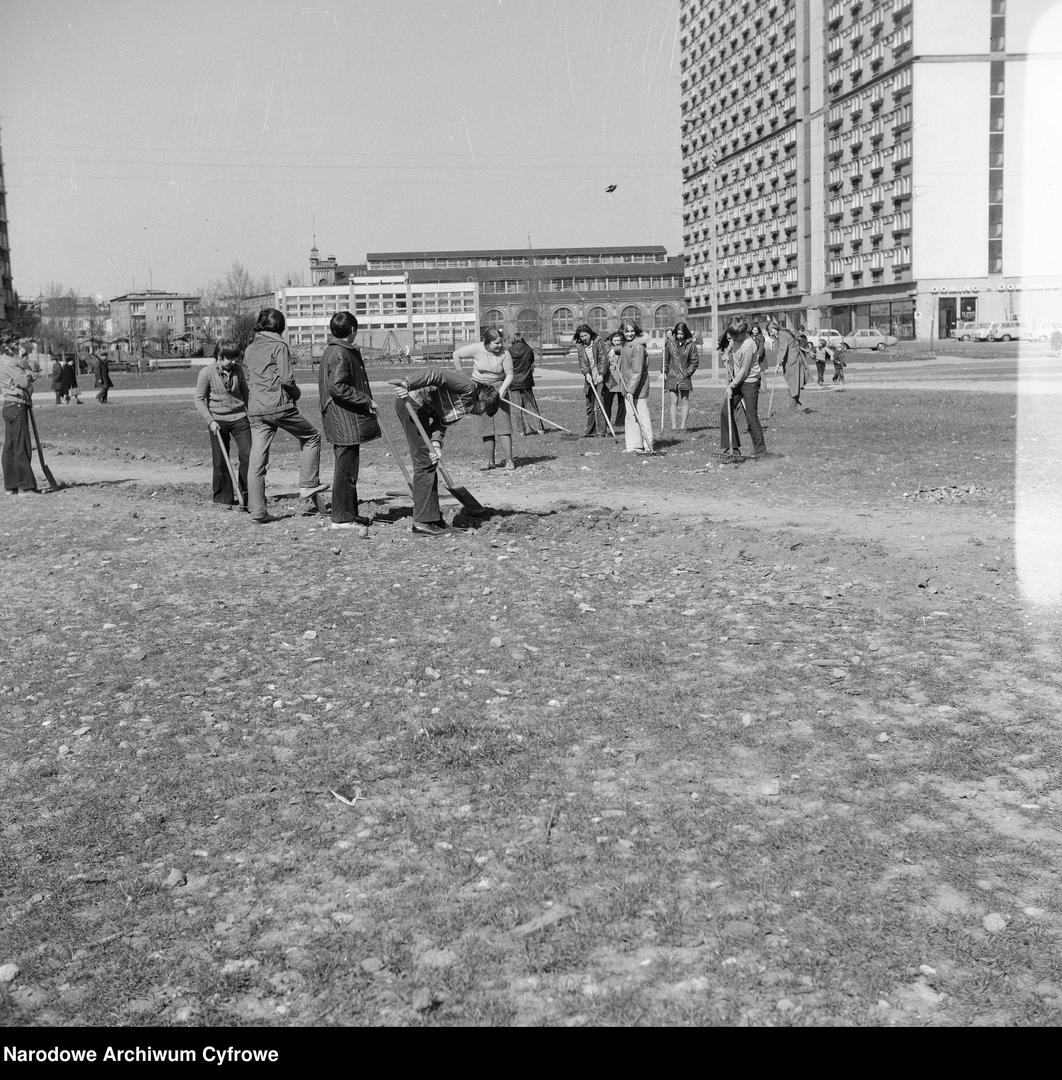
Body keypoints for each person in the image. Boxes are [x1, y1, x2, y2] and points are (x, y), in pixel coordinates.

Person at [391, 368, 500, 536]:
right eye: (484, 410)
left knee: (430, 462)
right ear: (483, 400)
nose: (480, 414)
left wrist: (436, 444)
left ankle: (433, 519)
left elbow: (441, 423)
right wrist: (407, 383)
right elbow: (436, 374)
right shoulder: (468, 387)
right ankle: (422, 522)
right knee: (424, 462)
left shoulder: (466, 406)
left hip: (422, 410)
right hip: (411, 404)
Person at [243, 307, 327, 525]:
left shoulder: (250, 348)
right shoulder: (279, 346)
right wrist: (296, 394)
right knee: (312, 436)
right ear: (280, 327)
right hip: (278, 406)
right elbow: (287, 379)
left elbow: (248, 379)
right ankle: (308, 483)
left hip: (256, 410)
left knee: (257, 462)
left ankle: (258, 511)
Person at [318, 311, 379, 536]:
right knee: (345, 469)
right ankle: (341, 518)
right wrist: (366, 400)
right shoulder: (340, 353)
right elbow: (338, 387)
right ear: (352, 330)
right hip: (343, 418)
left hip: (345, 418)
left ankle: (350, 513)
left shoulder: (336, 350)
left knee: (349, 467)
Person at [194, 339, 251, 510]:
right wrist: (210, 421)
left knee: (248, 454)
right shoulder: (206, 373)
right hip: (217, 421)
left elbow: (246, 393)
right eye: (230, 358)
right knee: (220, 460)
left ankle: (247, 494)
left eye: (235, 358)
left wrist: (251, 413)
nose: (234, 361)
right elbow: (199, 399)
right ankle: (223, 499)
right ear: (219, 356)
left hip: (240, 418)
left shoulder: (238, 370)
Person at [453, 328, 514, 472]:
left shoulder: (505, 354)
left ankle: (509, 461)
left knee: (503, 426)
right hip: (480, 390)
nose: (500, 346)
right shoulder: (476, 348)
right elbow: (456, 354)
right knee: (485, 426)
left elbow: (510, 374)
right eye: (496, 343)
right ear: (486, 342)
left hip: (499, 388)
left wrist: (501, 390)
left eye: (501, 342)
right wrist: (460, 374)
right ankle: (489, 461)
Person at [720, 319, 766, 459]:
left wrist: (731, 385)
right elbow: (732, 344)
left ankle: (761, 453)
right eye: (731, 336)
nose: (732, 339)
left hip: (750, 382)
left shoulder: (748, 345)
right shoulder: (736, 337)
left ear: (743, 333)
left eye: (735, 336)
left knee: (751, 417)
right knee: (725, 411)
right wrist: (726, 352)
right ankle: (732, 447)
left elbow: (744, 371)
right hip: (738, 379)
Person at [1, 343, 41, 495]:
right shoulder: (9, 362)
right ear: (9, 347)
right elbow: (23, 382)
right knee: (21, 445)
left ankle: (12, 486)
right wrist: (30, 376)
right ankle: (26, 486)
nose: (20, 348)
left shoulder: (1, 361)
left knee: (10, 447)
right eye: (17, 345)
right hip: (17, 405)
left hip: (8, 405)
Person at [616, 320, 654, 453]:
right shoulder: (626, 345)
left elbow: (637, 371)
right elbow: (620, 350)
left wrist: (631, 391)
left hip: (638, 388)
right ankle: (633, 445)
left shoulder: (638, 347)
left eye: (632, 331)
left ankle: (648, 445)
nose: (630, 333)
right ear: (623, 332)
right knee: (630, 416)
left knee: (642, 416)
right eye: (627, 331)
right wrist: (612, 351)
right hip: (628, 387)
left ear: (636, 331)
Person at [574, 324, 610, 437]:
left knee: (599, 405)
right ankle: (590, 431)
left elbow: (603, 358)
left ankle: (602, 431)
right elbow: (582, 362)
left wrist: (602, 374)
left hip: (599, 377)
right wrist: (586, 374)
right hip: (589, 378)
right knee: (589, 405)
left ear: (590, 333)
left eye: (585, 335)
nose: (584, 338)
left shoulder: (598, 341)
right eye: (582, 336)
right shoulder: (580, 345)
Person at [664, 321, 700, 432]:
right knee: (673, 401)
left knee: (685, 399)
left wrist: (687, 373)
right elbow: (666, 360)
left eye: (682, 333)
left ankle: (683, 425)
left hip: (684, 377)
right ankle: (674, 426)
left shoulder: (691, 344)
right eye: (678, 333)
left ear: (686, 333)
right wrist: (664, 372)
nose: (680, 336)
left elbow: (694, 361)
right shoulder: (670, 343)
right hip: (672, 376)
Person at [507, 332, 544, 436]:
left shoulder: (509, 352)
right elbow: (531, 362)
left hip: (513, 383)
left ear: (513, 340)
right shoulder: (528, 350)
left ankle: (521, 431)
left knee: (517, 407)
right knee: (531, 406)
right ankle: (538, 428)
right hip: (526, 381)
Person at [769, 319, 808, 410]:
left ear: (775, 328)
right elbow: (780, 349)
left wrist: (778, 363)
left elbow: (782, 349)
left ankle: (802, 406)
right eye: (769, 332)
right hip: (790, 361)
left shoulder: (782, 335)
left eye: (771, 331)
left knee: (795, 383)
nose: (770, 334)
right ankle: (795, 406)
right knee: (793, 383)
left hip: (793, 361)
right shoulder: (780, 334)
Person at [602, 329, 627, 432]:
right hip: (611, 379)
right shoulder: (608, 350)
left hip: (621, 378)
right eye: (615, 340)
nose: (617, 342)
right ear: (612, 341)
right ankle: (606, 422)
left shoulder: (624, 349)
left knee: (622, 403)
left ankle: (620, 421)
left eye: (619, 340)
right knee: (608, 402)